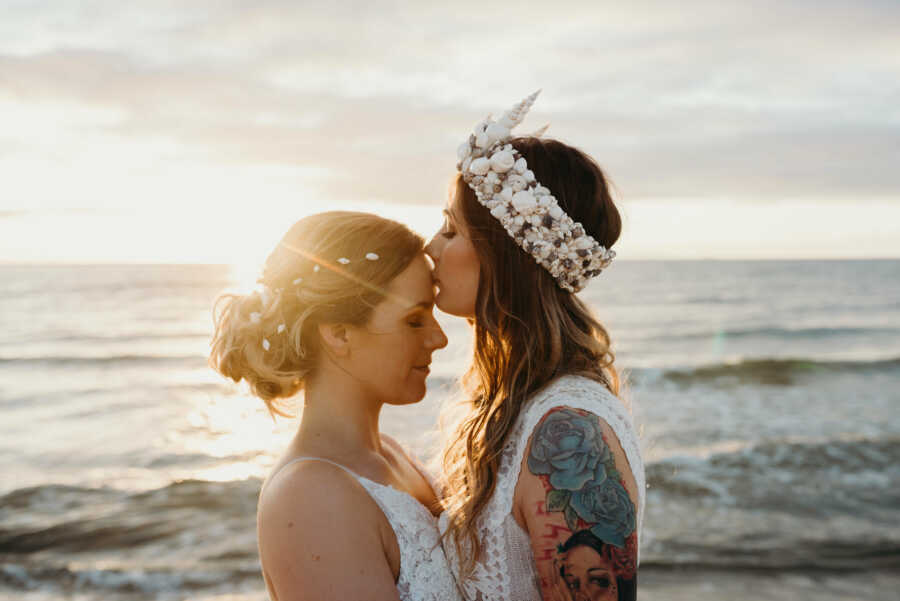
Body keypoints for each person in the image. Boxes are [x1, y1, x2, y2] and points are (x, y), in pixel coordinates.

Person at [426, 92, 645, 601]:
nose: (430, 246)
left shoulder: (569, 426)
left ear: (504, 253)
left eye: (451, 228)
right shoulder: (517, 403)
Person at [209, 212, 463, 601]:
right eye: (414, 319)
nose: (439, 339)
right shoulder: (309, 497)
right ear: (339, 333)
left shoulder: (394, 454)